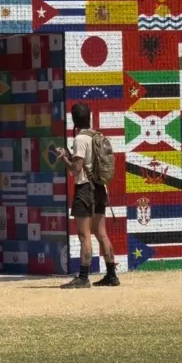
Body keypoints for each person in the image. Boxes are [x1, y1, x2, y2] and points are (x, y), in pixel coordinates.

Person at [57, 103, 120, 289]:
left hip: (85, 189)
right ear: (89, 117)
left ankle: (83, 277)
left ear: (74, 120)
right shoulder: (97, 135)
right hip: (101, 188)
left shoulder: (80, 139)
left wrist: (64, 159)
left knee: (84, 235)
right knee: (102, 234)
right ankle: (111, 274)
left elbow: (76, 169)